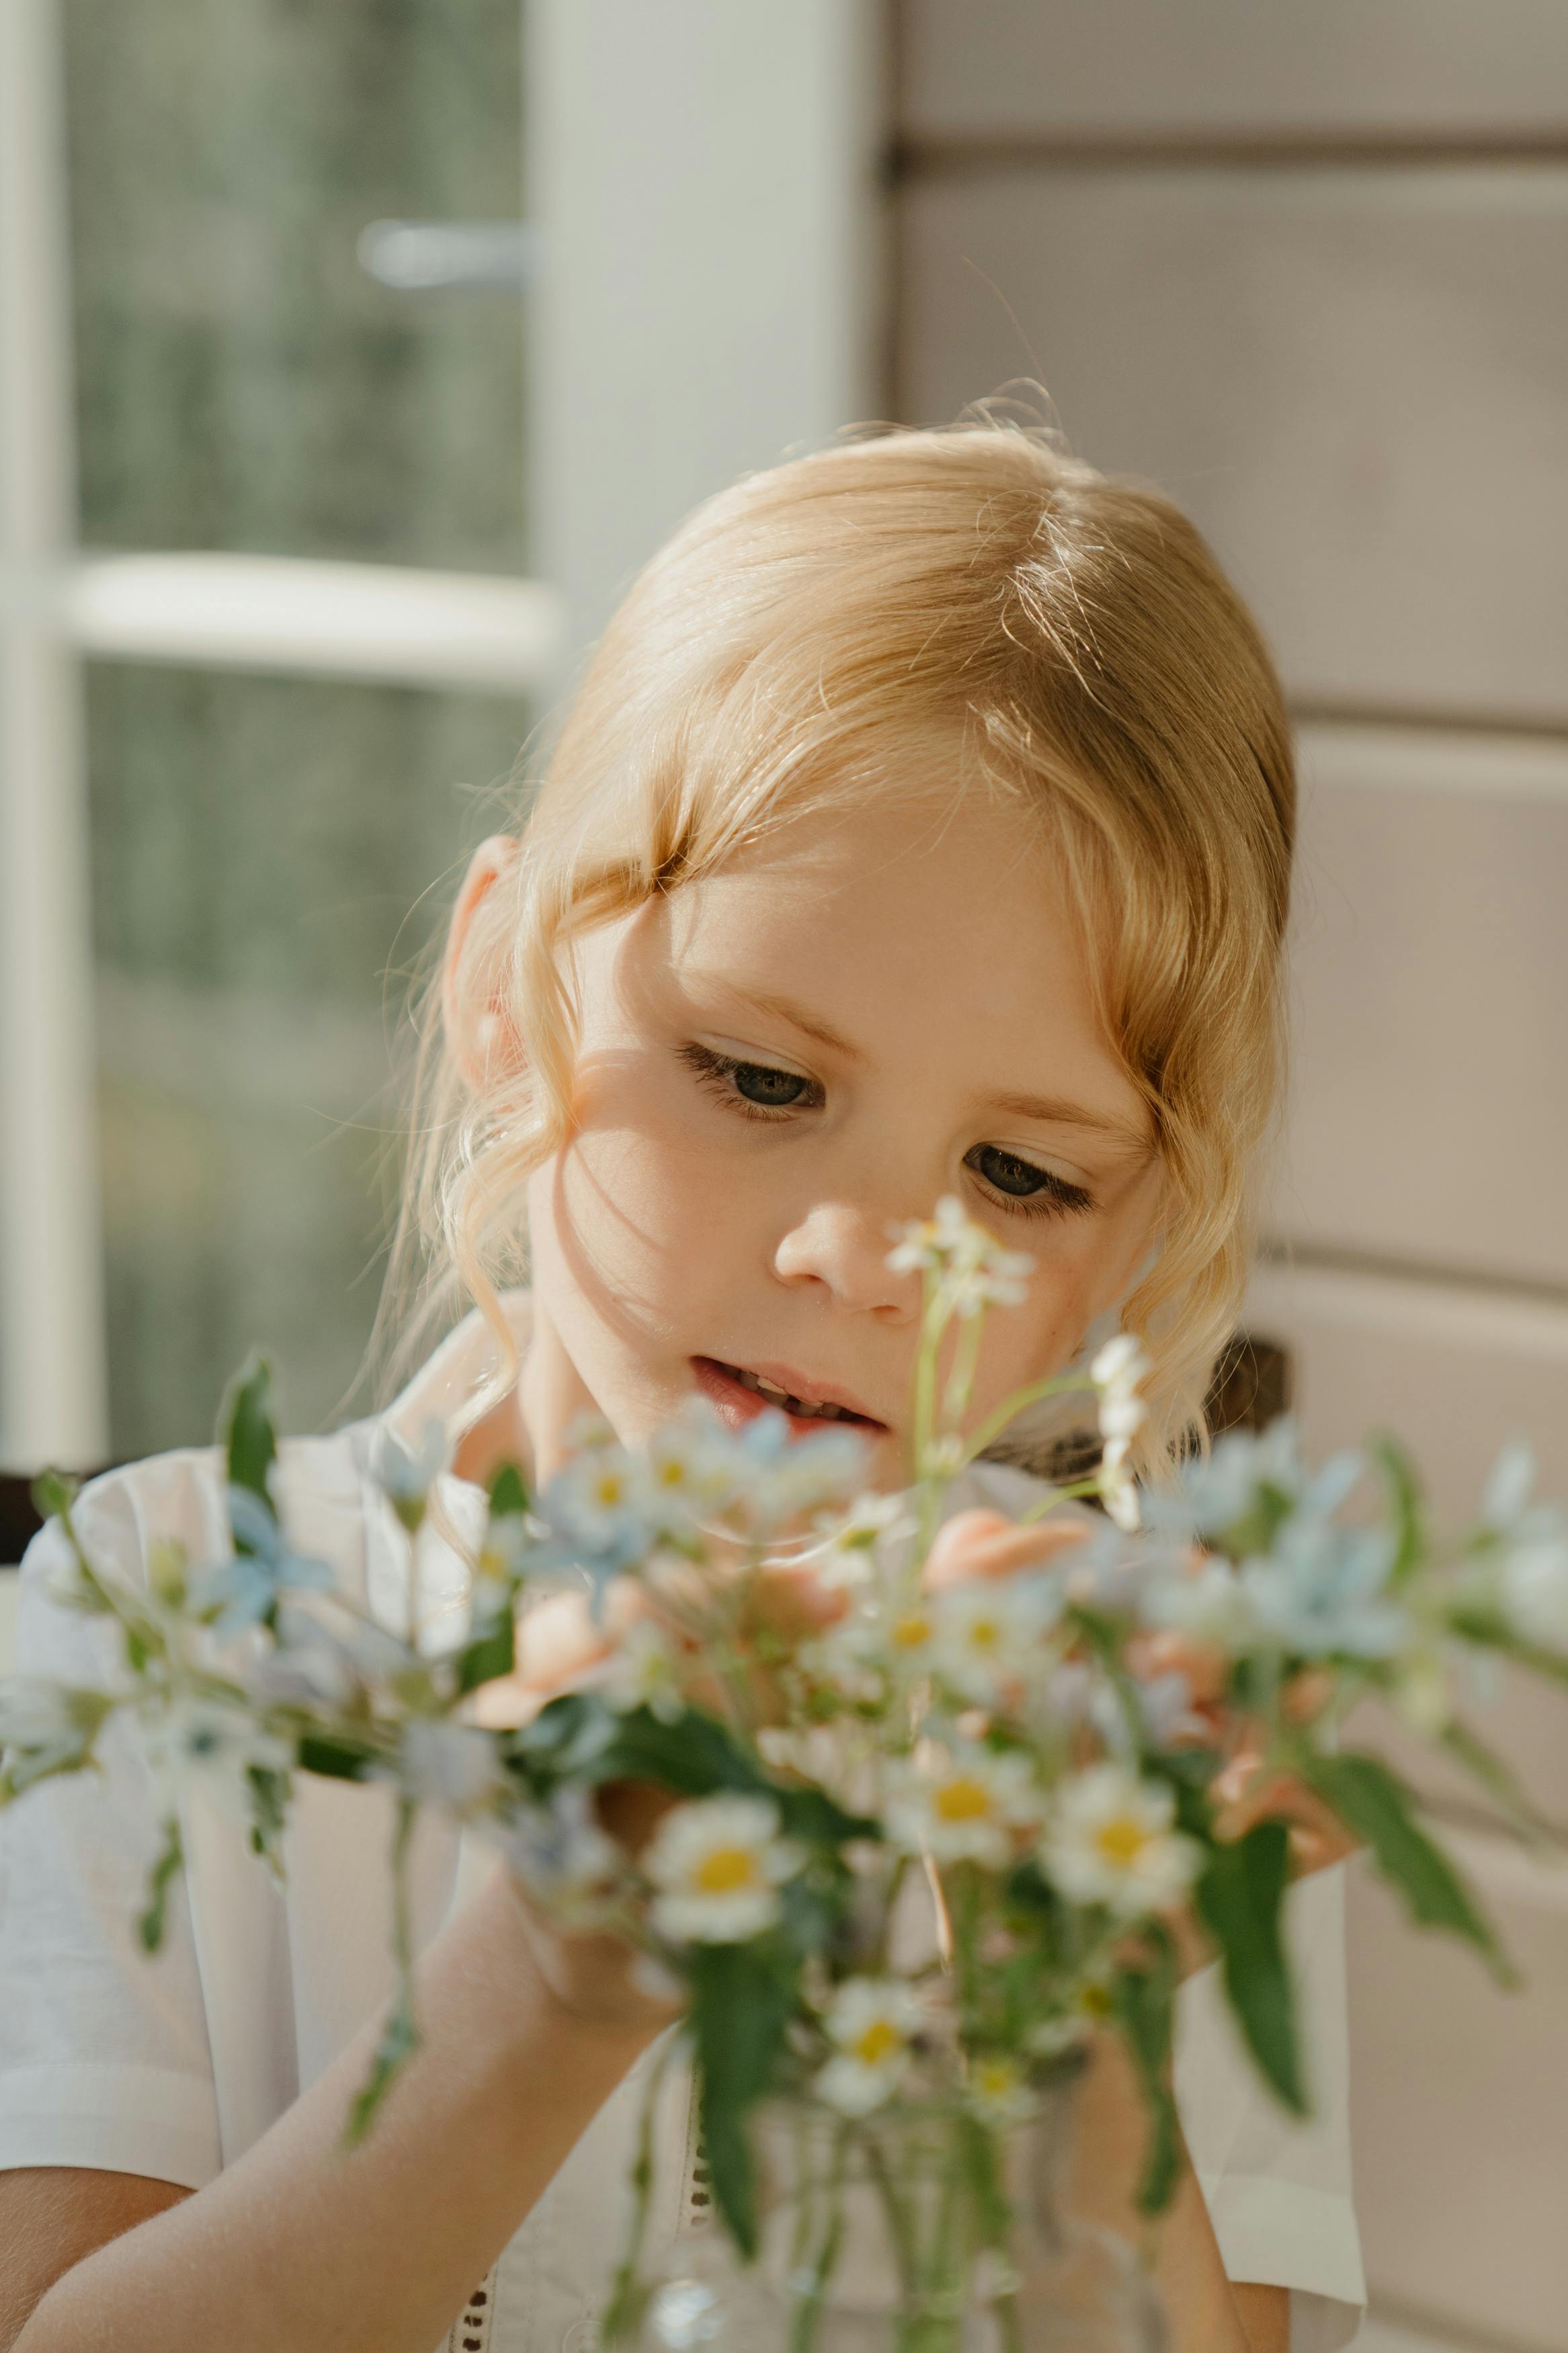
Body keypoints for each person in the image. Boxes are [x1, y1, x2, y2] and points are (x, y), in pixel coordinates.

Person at [0, 423, 1366, 2353]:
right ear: (505, 987)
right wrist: (546, 1983)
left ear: (1134, 1241)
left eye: (1020, 1175)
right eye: (760, 1079)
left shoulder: (1130, 1738)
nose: (860, 1256)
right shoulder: (165, 1620)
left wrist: (1092, 2037)